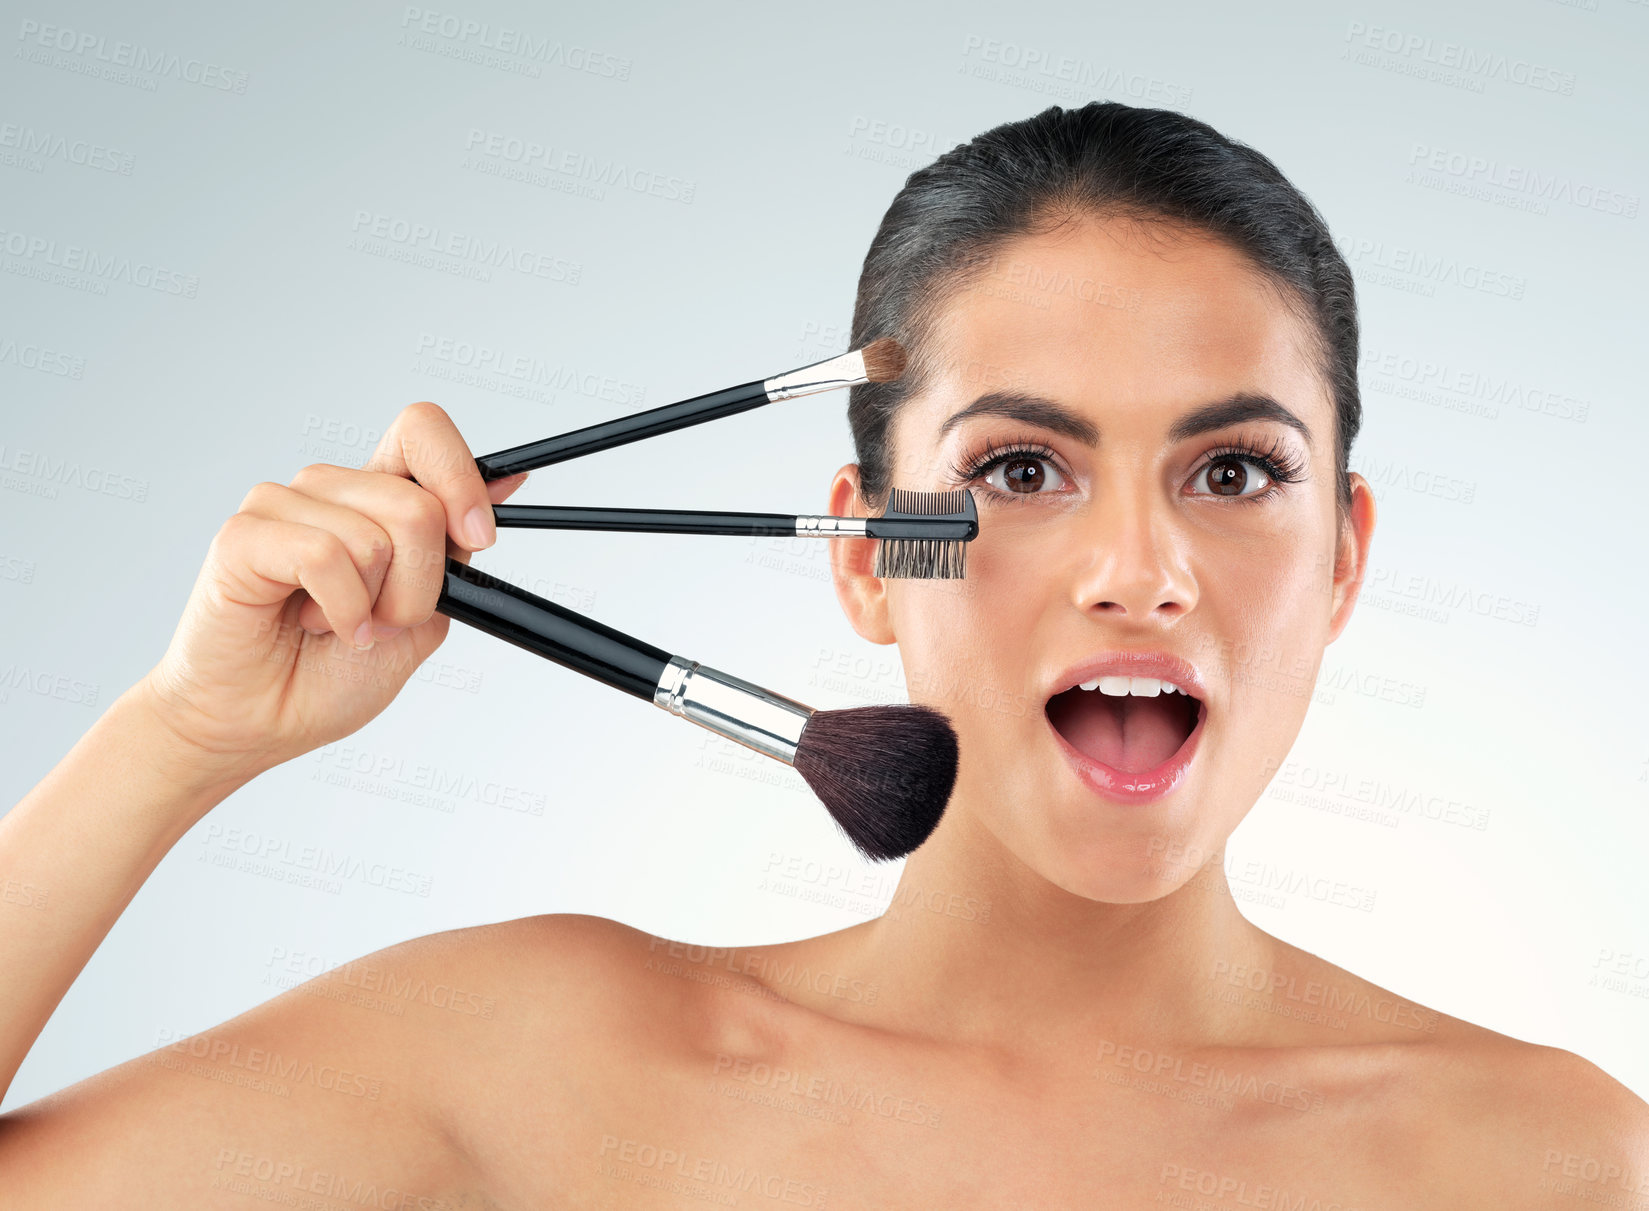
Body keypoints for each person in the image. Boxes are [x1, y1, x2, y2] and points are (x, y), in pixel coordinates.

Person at [3, 101, 1644, 1205]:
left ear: (1342, 556)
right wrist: (180, 738)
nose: (1138, 571)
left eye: (1231, 473)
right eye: (1018, 471)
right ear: (865, 551)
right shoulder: (537, 1059)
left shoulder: (1552, 1159)